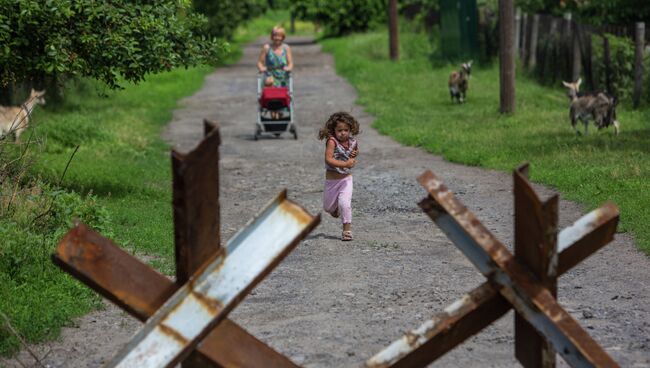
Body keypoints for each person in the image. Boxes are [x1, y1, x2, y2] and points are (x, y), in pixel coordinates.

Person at [318, 112, 360, 241]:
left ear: (351, 129)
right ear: (334, 130)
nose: (343, 133)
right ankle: (334, 210)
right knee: (328, 207)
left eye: (346, 130)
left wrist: (354, 155)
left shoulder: (353, 142)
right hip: (332, 181)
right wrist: (345, 163)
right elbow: (328, 159)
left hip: (346, 179)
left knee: (345, 204)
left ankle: (347, 230)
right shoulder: (332, 141)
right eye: (340, 130)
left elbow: (352, 154)